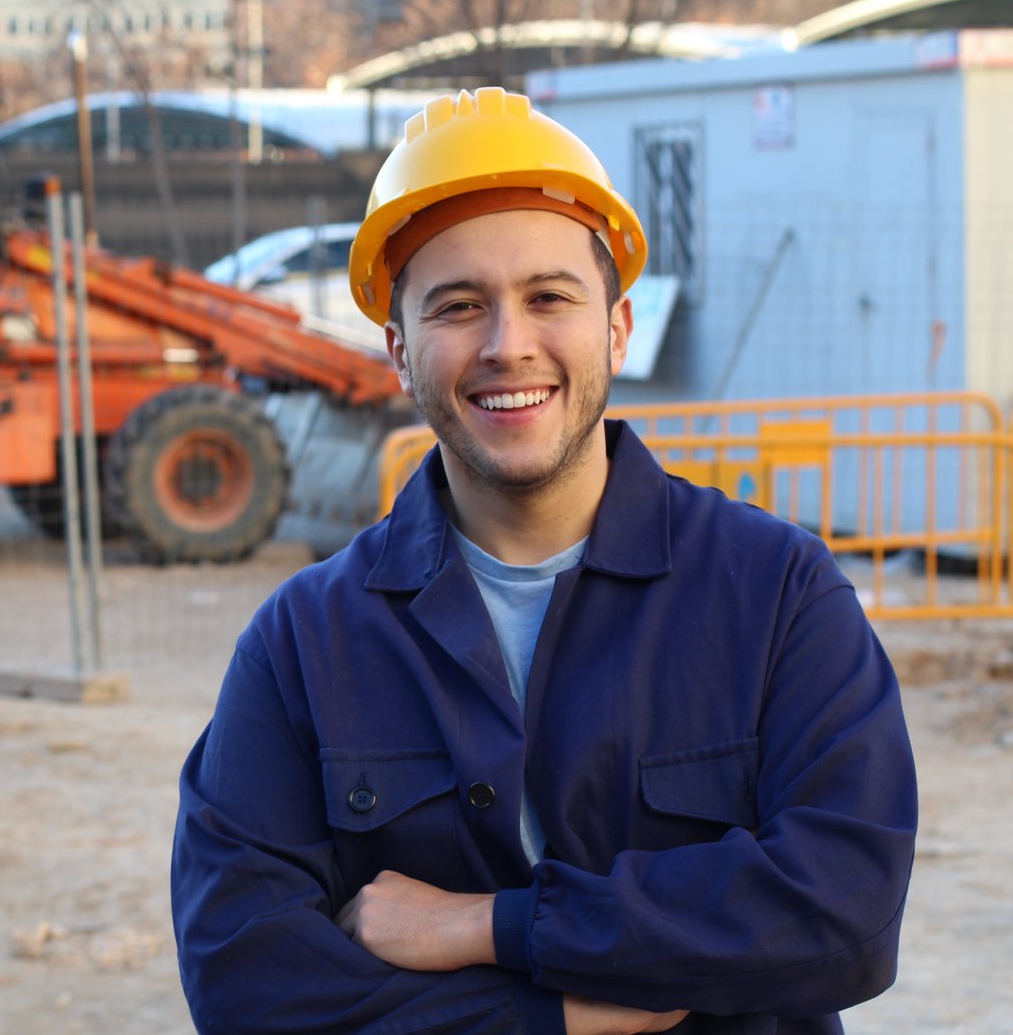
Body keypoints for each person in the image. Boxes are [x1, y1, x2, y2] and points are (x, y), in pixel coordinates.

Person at [170, 87, 917, 1034]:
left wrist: (489, 926)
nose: (506, 345)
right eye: (458, 306)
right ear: (399, 350)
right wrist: (562, 1014)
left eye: (549, 297)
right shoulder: (304, 644)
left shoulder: (775, 593)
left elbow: (843, 914)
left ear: (617, 327)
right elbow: (249, 986)